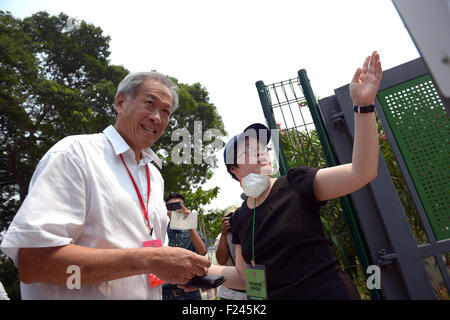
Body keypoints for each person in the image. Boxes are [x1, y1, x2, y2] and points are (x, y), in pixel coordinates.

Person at [0, 71, 210, 299]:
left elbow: (150, 264)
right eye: (150, 104)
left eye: (165, 111)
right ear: (120, 102)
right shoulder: (74, 154)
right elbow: (34, 265)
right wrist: (150, 259)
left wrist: (179, 271)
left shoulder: (154, 176)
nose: (157, 117)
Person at [207, 51, 383, 299]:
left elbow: (362, 172)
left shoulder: (295, 183)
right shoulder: (239, 219)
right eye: (248, 149)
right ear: (232, 169)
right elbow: (245, 279)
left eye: (262, 146)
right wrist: (196, 271)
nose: (259, 152)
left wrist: (363, 106)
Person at [162, 192, 207, 300]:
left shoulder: (190, 231)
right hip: (164, 293)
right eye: (170, 207)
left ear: (184, 208)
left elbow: (202, 251)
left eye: (177, 206)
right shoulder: (160, 230)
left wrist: (189, 224)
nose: (173, 210)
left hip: (189, 293)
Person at [214, 205, 247, 300]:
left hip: (251, 289)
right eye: (229, 217)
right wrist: (224, 234)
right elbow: (221, 261)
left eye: (235, 217)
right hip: (229, 293)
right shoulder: (221, 237)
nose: (232, 220)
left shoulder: (249, 232)